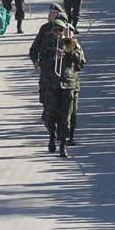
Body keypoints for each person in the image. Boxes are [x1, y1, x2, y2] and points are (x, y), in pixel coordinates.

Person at [38, 19, 86, 158]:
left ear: (64, 31)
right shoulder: (47, 44)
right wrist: (53, 59)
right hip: (51, 84)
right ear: (52, 30)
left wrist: (69, 50)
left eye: (61, 31)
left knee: (66, 117)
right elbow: (41, 63)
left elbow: (81, 62)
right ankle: (52, 135)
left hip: (68, 84)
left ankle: (63, 145)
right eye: (55, 30)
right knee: (50, 114)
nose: (58, 33)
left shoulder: (72, 43)